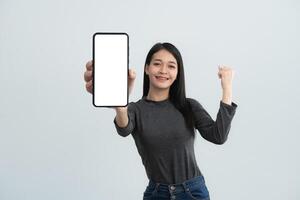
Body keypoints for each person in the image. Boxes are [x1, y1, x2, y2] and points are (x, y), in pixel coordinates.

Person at [84, 42, 237, 200]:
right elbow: (124, 129)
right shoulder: (136, 109)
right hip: (157, 194)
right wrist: (120, 104)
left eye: (171, 66)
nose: (163, 71)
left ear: (177, 73)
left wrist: (227, 87)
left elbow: (218, 136)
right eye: (157, 64)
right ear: (147, 68)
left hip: (192, 192)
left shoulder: (189, 106)